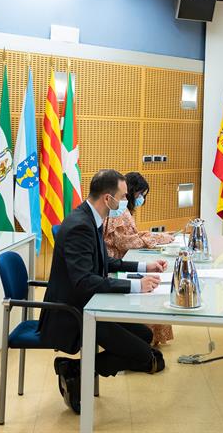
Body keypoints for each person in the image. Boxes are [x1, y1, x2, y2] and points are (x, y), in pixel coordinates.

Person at [38, 169, 168, 414]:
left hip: (91, 304)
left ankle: (74, 369)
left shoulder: (92, 218)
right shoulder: (80, 225)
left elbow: (103, 262)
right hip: (73, 312)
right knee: (143, 354)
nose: (125, 201)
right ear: (108, 198)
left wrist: (143, 267)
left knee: (144, 336)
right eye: (122, 196)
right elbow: (85, 281)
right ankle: (75, 370)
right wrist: (136, 286)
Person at [104, 172, 175, 346]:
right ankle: (143, 338)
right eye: (140, 194)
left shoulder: (123, 210)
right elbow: (124, 242)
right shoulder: (118, 212)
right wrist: (156, 239)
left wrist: (156, 236)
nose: (141, 198)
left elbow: (132, 235)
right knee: (154, 287)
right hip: (116, 264)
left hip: (122, 259)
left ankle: (148, 337)